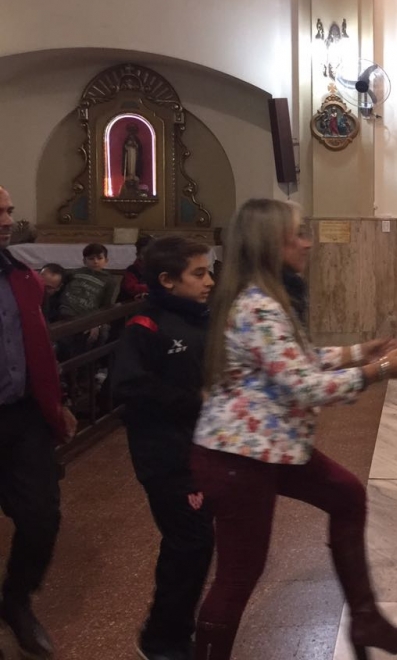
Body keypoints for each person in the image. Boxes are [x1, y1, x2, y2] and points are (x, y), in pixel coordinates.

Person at [190, 199, 397, 660]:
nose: (307, 243)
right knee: (239, 574)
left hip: (271, 448)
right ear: (271, 243)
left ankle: (366, 621)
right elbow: (303, 385)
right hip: (239, 457)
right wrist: (378, 371)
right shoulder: (258, 306)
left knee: (346, 495)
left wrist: (359, 352)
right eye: (298, 233)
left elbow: (297, 359)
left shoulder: (267, 298)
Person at [112, 236, 216, 660]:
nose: (210, 281)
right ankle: (161, 638)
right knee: (190, 541)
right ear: (168, 280)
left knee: (194, 542)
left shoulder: (202, 318)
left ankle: (172, 631)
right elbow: (128, 385)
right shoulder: (146, 326)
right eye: (199, 274)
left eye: (209, 272)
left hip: (202, 447)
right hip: (166, 454)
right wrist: (194, 400)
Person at [0, 185, 77, 660]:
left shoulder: (21, 277)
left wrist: (56, 403)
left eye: (8, 210)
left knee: (42, 516)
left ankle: (16, 600)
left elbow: (39, 348)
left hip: (21, 415)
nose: (8, 220)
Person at [58, 243, 118, 320]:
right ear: (84, 261)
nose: (95, 262)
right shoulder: (74, 273)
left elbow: (105, 304)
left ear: (106, 260)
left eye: (99, 258)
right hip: (65, 311)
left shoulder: (109, 280)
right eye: (91, 258)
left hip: (87, 316)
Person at [119, 234, 154, 302]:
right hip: (128, 303)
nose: (148, 257)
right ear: (138, 255)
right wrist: (151, 288)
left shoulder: (157, 269)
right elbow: (131, 288)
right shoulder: (132, 270)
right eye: (144, 254)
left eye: (151, 254)